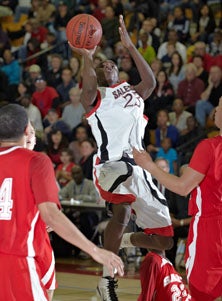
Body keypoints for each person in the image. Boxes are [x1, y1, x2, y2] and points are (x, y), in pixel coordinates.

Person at [69, 15, 173, 301]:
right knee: (123, 210)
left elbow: (150, 83)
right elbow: (87, 91)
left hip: (138, 166)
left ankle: (124, 242)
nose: (108, 64)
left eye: (110, 62)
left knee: (164, 239)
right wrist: (87, 58)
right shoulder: (97, 96)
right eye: (103, 65)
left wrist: (129, 45)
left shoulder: (129, 90)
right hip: (111, 165)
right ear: (99, 76)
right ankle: (106, 280)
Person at [0, 103, 124, 301]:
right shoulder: (37, 161)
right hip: (17, 262)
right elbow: (51, 215)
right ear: (26, 131)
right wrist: (94, 250)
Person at [132, 96, 222, 301]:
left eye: (220, 106)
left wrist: (149, 165)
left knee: (203, 293)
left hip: (212, 227)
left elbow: (182, 187)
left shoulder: (209, 147)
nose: (215, 110)